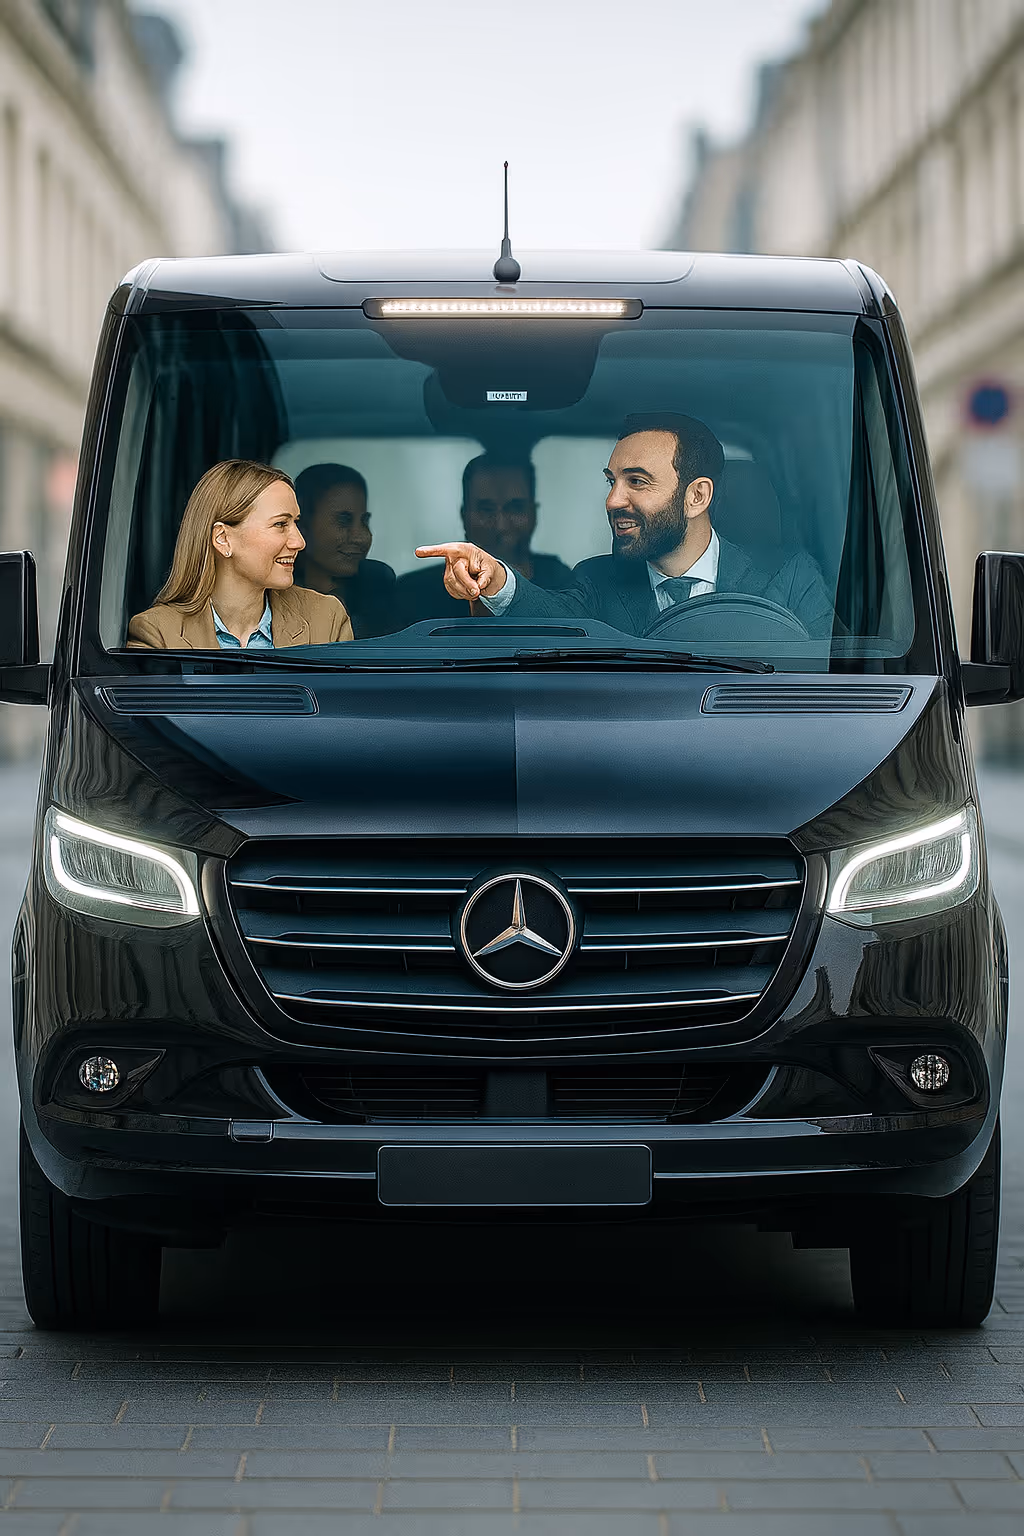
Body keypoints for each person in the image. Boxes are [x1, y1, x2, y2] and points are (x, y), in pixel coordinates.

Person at [414, 413, 836, 638]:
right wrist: (496, 581)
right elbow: (552, 619)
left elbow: (835, 680)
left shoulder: (791, 578)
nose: (613, 501)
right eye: (611, 481)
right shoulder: (599, 581)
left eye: (637, 481)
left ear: (697, 497)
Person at [128, 459, 353, 649]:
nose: (299, 542)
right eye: (280, 524)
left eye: (296, 523)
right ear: (223, 539)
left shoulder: (327, 619)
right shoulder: (157, 634)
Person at [396, 451, 573, 624]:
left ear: (533, 514)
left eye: (515, 508)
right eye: (486, 509)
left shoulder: (563, 584)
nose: (501, 525)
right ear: (464, 516)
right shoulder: (414, 594)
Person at [292, 463, 396, 638]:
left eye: (364, 522)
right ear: (302, 524)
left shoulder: (377, 593)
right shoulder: (273, 598)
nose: (361, 537)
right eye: (343, 521)